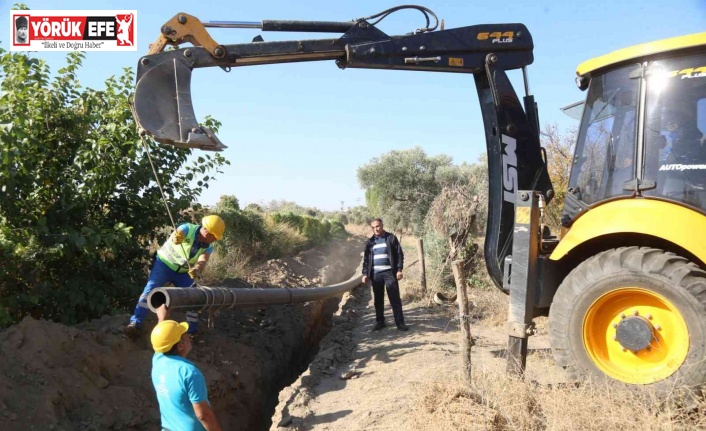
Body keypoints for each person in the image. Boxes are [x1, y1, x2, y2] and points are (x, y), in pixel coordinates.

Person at [126, 215, 225, 336]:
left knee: (194, 298)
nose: (215, 240)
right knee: (150, 290)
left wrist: (197, 269)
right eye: (215, 237)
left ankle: (191, 332)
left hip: (183, 273)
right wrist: (176, 237)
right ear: (207, 233)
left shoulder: (209, 246)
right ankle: (135, 323)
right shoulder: (187, 229)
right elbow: (179, 232)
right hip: (164, 265)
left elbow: (203, 260)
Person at [151, 304, 223, 431]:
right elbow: (203, 415)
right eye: (186, 335)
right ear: (180, 345)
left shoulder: (158, 360)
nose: (189, 336)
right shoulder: (189, 373)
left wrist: (162, 317)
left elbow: (161, 340)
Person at [361, 218, 408, 331]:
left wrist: (399, 269)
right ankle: (380, 322)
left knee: (394, 298)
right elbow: (366, 260)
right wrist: (365, 274)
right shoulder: (370, 242)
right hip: (376, 275)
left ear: (382, 225)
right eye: (373, 227)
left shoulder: (391, 238)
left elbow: (399, 254)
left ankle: (400, 323)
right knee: (378, 300)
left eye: (378, 226)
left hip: (389, 274)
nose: (376, 229)